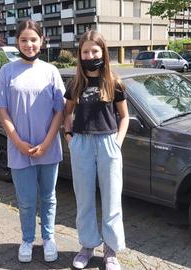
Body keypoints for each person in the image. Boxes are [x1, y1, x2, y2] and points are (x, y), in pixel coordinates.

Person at [0, 19, 65, 263]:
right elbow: (3, 112)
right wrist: (18, 142)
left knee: (48, 197)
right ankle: (27, 239)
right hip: (18, 148)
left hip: (49, 147)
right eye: (24, 39)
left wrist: (46, 143)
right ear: (17, 42)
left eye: (33, 39)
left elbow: (60, 111)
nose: (29, 44)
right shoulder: (7, 71)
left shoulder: (51, 71)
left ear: (41, 41)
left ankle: (49, 238)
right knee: (25, 199)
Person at [63, 30, 129, 270]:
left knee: (112, 200)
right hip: (81, 143)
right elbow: (67, 112)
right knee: (84, 200)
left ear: (103, 52)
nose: (90, 55)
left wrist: (117, 143)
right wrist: (69, 136)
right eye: (85, 51)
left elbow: (124, 117)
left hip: (108, 143)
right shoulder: (75, 83)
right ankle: (87, 246)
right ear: (79, 55)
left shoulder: (114, 82)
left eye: (95, 51)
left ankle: (110, 251)